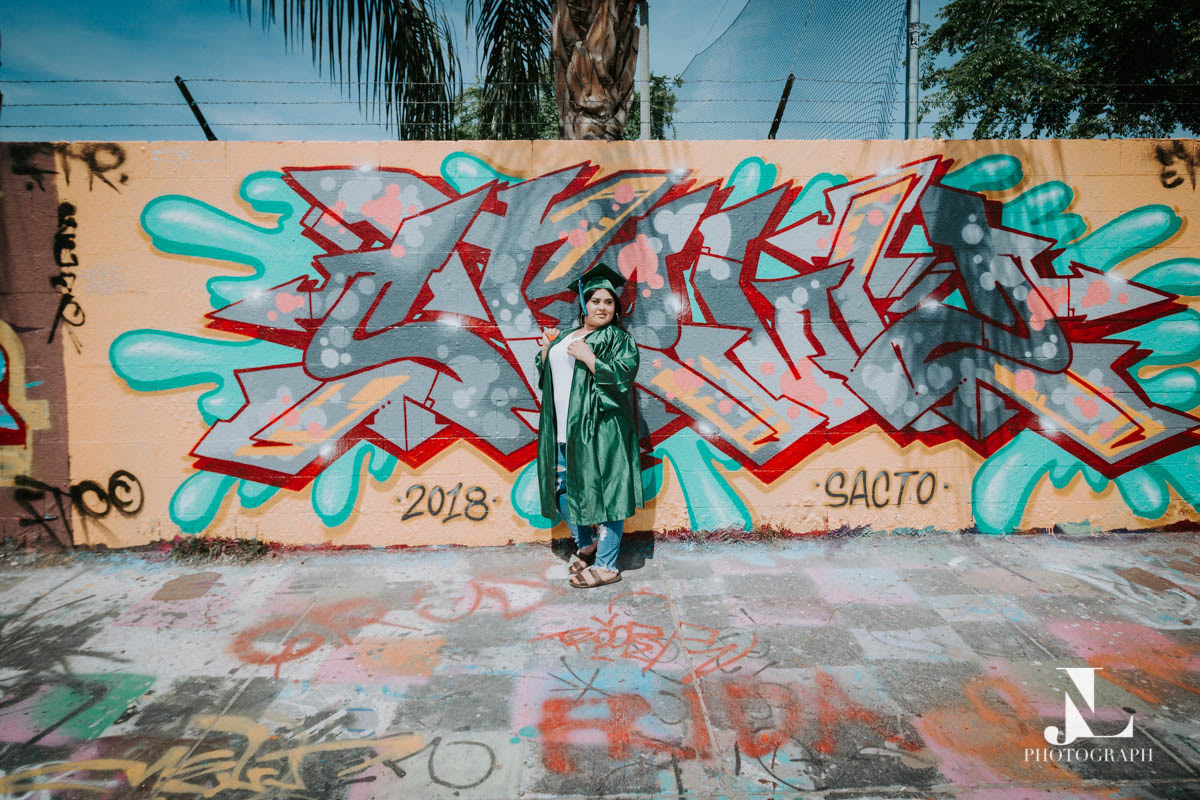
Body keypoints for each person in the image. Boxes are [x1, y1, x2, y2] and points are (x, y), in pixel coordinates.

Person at [534, 262, 643, 588]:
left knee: (609, 495)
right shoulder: (565, 336)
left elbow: (623, 378)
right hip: (562, 429)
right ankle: (586, 545)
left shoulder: (618, 339)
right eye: (596, 301)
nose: (602, 307)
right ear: (584, 303)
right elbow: (551, 378)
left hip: (601, 431)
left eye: (608, 302)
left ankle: (607, 565)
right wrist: (545, 353)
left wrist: (589, 357)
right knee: (562, 488)